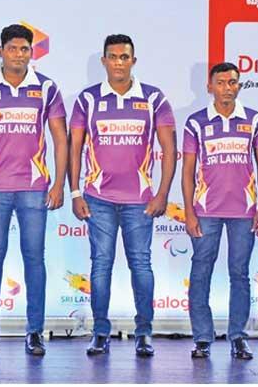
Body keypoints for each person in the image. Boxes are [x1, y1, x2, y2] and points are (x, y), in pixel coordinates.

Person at [68, 34, 177, 357]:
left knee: (141, 266)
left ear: (133, 61)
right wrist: (74, 191)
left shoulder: (154, 99)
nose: (118, 62)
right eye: (113, 56)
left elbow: (169, 150)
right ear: (103, 61)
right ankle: (100, 332)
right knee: (100, 265)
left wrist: (162, 194)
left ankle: (144, 332)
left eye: (124, 57)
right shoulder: (88, 100)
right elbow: (75, 148)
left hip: (140, 201)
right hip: (98, 198)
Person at [0, 24, 68, 356]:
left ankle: (34, 331)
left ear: (31, 53)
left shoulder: (47, 88)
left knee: (34, 259)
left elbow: (60, 139)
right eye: (13, 49)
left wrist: (60, 183)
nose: (19, 55)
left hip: (35, 188)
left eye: (25, 49)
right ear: (1, 51)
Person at [181, 62, 258, 360]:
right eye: (221, 82)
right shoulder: (196, 122)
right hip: (205, 211)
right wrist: (190, 213)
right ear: (210, 86)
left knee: (239, 275)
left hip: (245, 212)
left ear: (239, 85)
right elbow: (187, 171)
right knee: (201, 271)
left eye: (232, 82)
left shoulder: (254, 120)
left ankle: (238, 337)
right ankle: (202, 338)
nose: (227, 88)